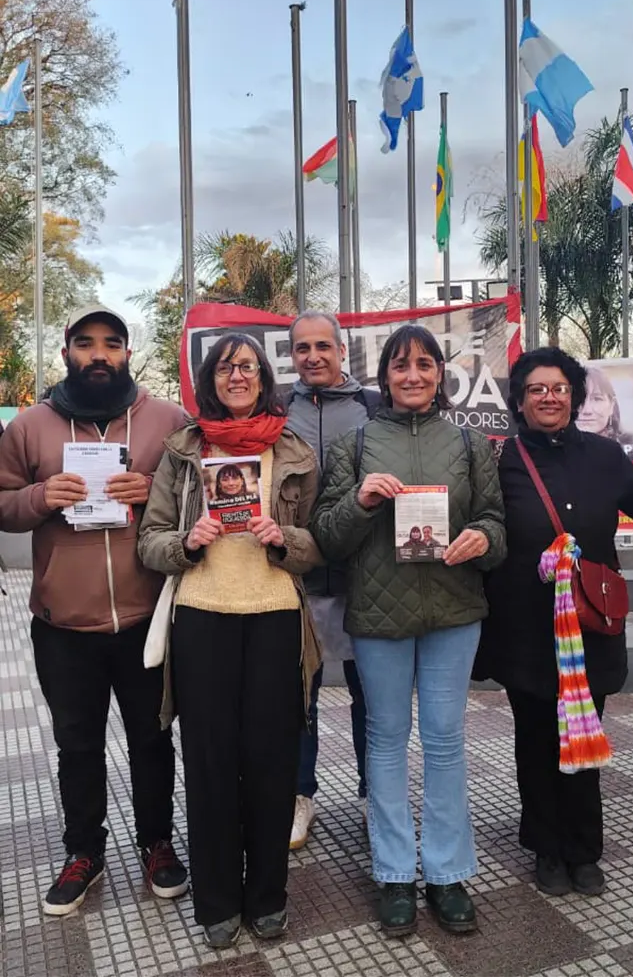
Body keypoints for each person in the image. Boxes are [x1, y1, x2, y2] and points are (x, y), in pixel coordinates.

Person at [310, 324, 506, 938]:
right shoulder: (356, 445)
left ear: (440, 374)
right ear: (384, 375)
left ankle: (447, 872)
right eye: (401, 365)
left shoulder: (471, 445)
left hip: (454, 613)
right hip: (378, 617)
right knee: (386, 742)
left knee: (446, 743)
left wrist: (484, 538)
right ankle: (394, 872)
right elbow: (326, 536)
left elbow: (496, 524)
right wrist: (361, 501)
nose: (413, 375)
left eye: (425, 364)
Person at [0, 307, 188, 916]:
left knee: (152, 739)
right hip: (63, 623)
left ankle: (157, 842)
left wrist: (154, 487)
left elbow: (204, 496)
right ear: (66, 354)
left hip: (146, 619)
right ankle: (84, 851)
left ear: (129, 353)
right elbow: (1, 503)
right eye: (86, 344)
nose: (99, 354)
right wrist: (37, 496)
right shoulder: (30, 426)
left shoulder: (167, 420)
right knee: (76, 744)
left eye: (112, 344)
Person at [138, 332, 322, 949]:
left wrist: (283, 538)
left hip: (273, 617)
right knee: (211, 763)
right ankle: (217, 900)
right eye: (224, 367)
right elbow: (152, 537)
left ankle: (267, 896)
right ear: (209, 379)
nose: (236, 376)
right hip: (202, 618)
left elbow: (316, 544)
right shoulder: (185, 448)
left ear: (263, 376)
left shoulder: (292, 448)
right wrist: (187, 542)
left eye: (247, 366)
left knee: (271, 764)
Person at [476, 347, 633, 897]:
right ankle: (546, 847)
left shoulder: (604, 455)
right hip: (525, 627)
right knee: (534, 738)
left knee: (584, 734)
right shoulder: (499, 461)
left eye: (558, 388)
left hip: (589, 628)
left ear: (573, 396)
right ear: (519, 402)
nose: (548, 398)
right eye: (536, 390)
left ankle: (583, 848)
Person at [285, 311, 377, 850]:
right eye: (303, 348)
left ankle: (373, 794)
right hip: (296, 577)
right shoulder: (277, 410)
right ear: (292, 356)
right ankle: (301, 795)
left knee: (374, 697)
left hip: (366, 577)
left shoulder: (373, 407)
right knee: (299, 696)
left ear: (342, 352)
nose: (314, 356)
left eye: (324, 346)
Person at [577, 367, 621, 442]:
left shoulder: (618, 452)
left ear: (611, 406)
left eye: (597, 399)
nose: (587, 410)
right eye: (578, 398)